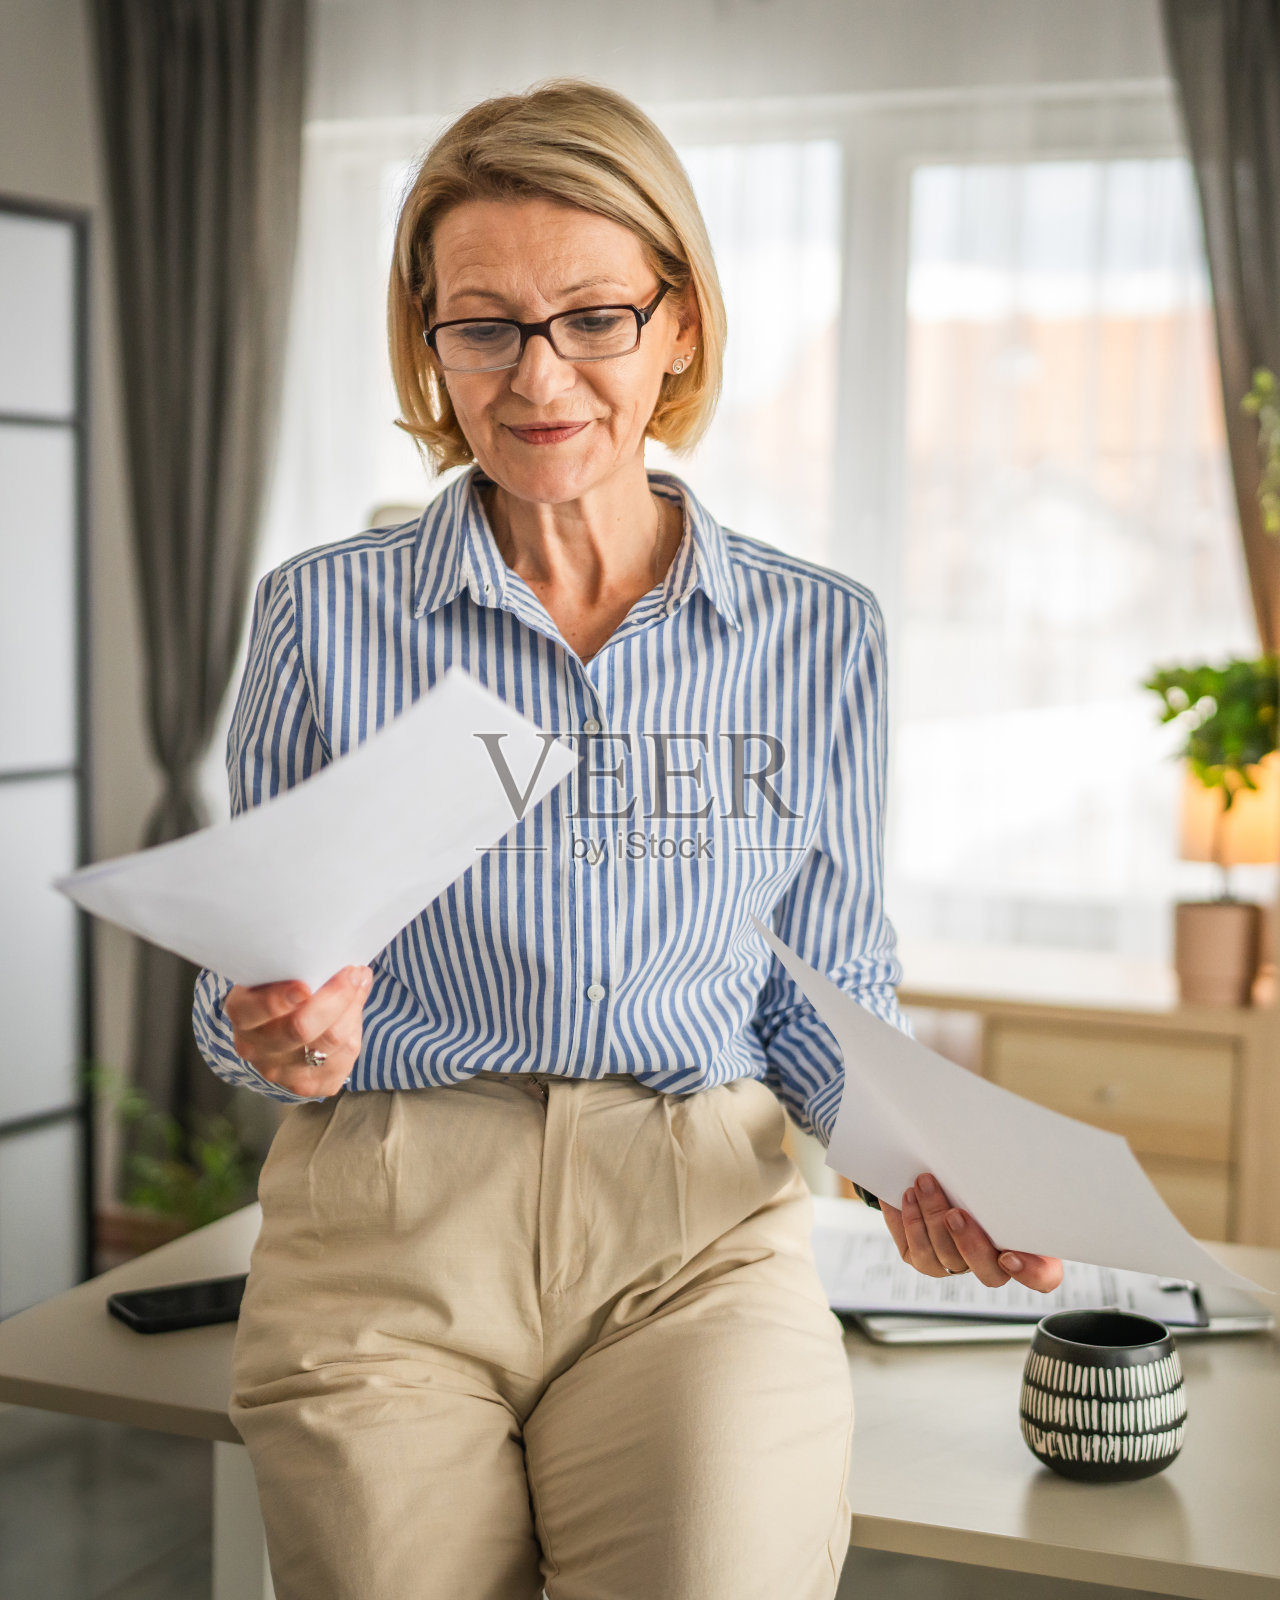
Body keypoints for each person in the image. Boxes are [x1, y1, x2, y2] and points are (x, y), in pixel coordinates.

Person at [192, 79, 1063, 1600]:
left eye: (593, 316)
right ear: (430, 341)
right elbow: (244, 986)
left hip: (695, 1234)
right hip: (388, 1222)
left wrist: (913, 1164)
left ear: (679, 326)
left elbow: (821, 991)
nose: (540, 379)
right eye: (485, 326)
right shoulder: (321, 617)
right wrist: (278, 1030)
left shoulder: (815, 635)